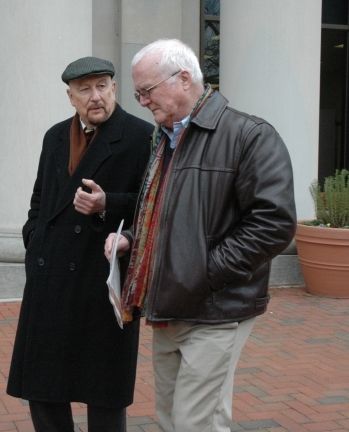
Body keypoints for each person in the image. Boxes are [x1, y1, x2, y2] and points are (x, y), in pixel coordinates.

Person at [104, 39, 297, 431]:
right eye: (137, 93)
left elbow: (273, 224)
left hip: (214, 308)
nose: (141, 102)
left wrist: (204, 273)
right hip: (168, 305)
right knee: (172, 417)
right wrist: (133, 243)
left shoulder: (249, 135)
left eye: (146, 91)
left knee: (196, 422)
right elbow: (164, 215)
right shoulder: (164, 140)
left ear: (184, 78)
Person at [6, 56, 153, 431]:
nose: (95, 96)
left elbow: (155, 204)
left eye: (102, 86)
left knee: (103, 393)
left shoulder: (140, 136)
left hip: (101, 280)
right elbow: (40, 201)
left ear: (114, 88)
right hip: (49, 279)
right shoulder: (55, 136)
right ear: (70, 96)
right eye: (84, 89)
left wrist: (107, 204)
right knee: (44, 390)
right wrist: (34, 242)